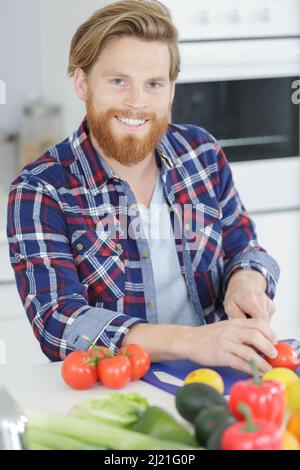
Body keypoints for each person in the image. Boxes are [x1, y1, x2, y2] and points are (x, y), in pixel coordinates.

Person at [7, 0, 280, 374]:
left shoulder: (201, 153)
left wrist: (246, 281)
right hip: (116, 387)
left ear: (170, 91)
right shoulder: (41, 190)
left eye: (153, 84)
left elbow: (244, 248)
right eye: (119, 81)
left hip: (218, 377)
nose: (137, 102)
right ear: (83, 83)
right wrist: (192, 341)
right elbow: (58, 322)